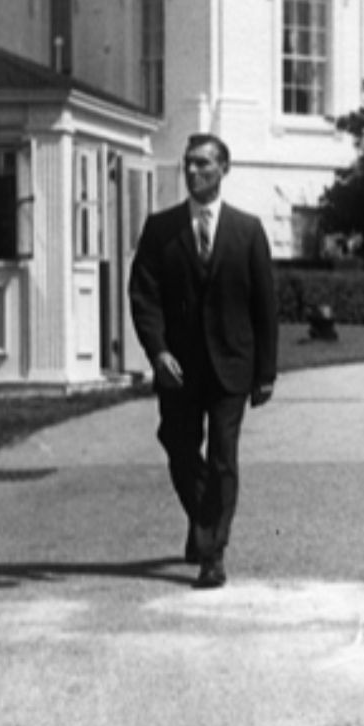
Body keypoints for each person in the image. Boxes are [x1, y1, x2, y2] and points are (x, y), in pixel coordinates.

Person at [129, 133, 278, 590]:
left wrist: (265, 373)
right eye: (189, 164)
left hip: (232, 365)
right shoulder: (161, 229)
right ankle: (203, 520)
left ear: (223, 169)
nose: (193, 172)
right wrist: (158, 351)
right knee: (177, 446)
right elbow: (143, 296)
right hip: (179, 368)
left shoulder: (248, 231)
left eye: (204, 165)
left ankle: (213, 553)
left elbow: (264, 306)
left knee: (222, 458)